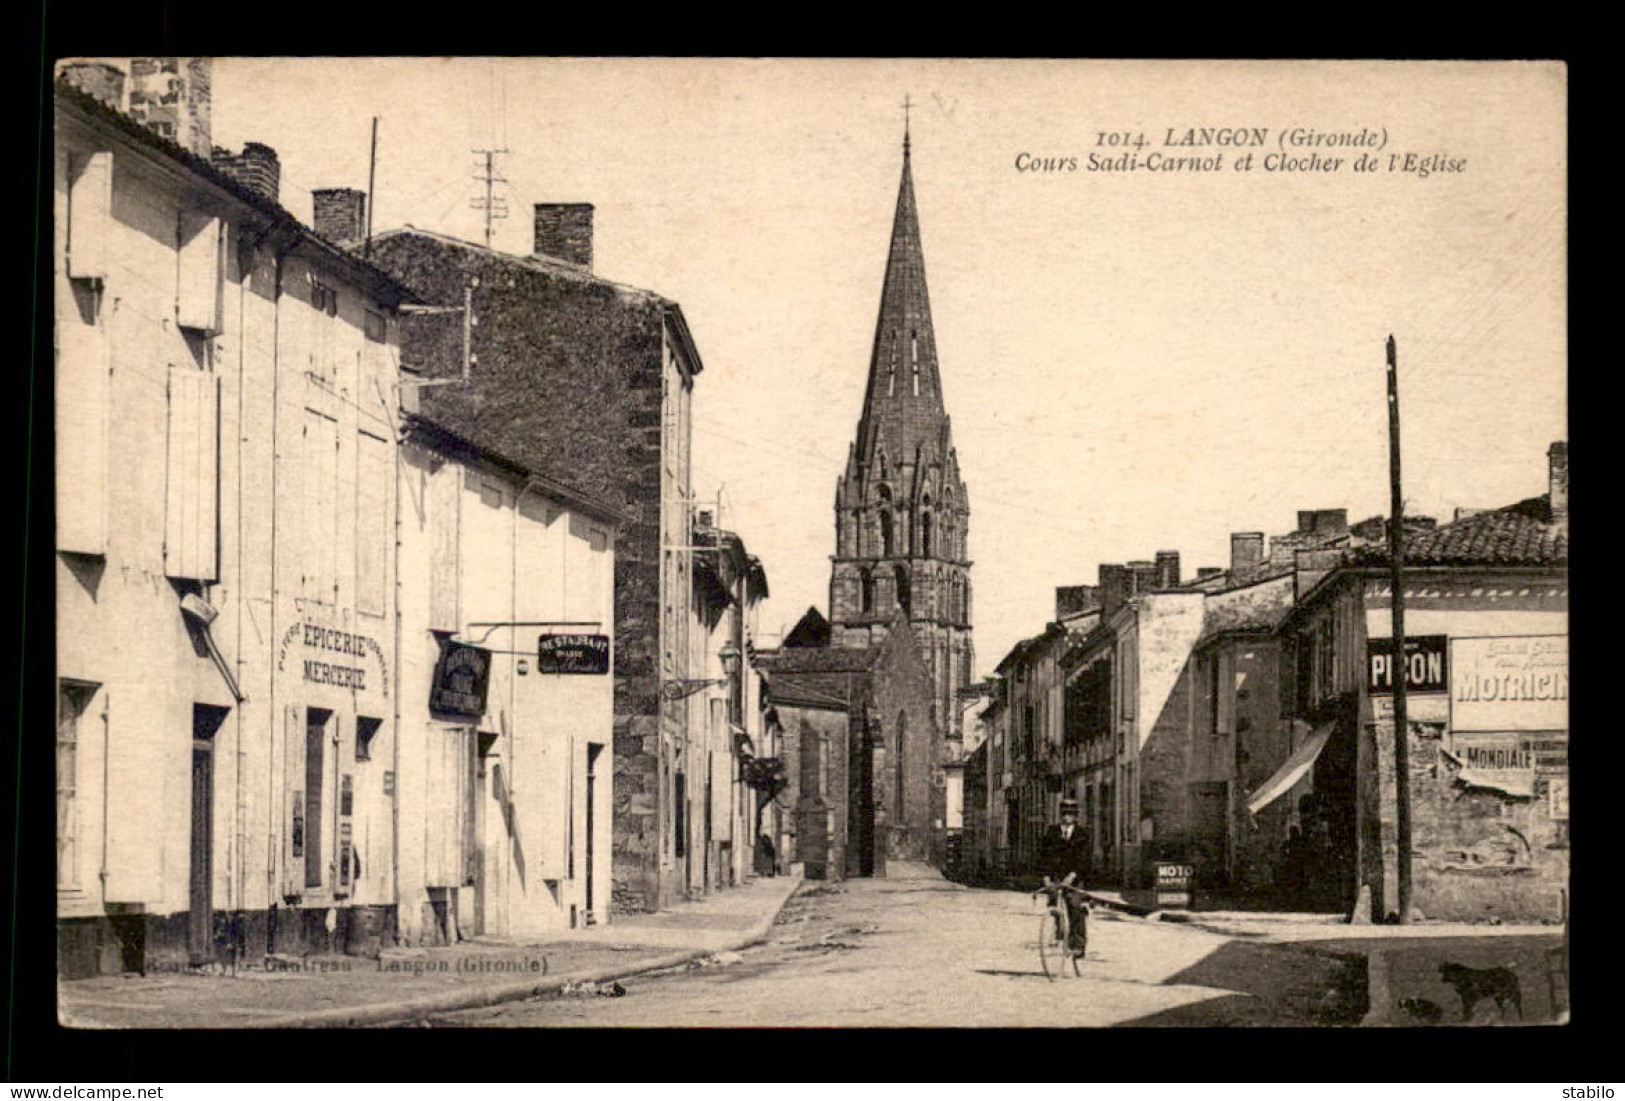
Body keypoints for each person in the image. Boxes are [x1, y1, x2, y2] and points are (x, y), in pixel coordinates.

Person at [1036, 798, 1091, 958]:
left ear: (1075, 816)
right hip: (1056, 876)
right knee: (1053, 901)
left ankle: (1078, 945)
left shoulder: (1082, 834)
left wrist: (1073, 876)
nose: (1067, 817)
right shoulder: (1051, 832)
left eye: (1071, 814)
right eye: (1064, 814)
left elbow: (1084, 859)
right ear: (1060, 815)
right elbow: (1043, 856)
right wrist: (1046, 876)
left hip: (1075, 877)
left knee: (1074, 905)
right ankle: (1060, 931)